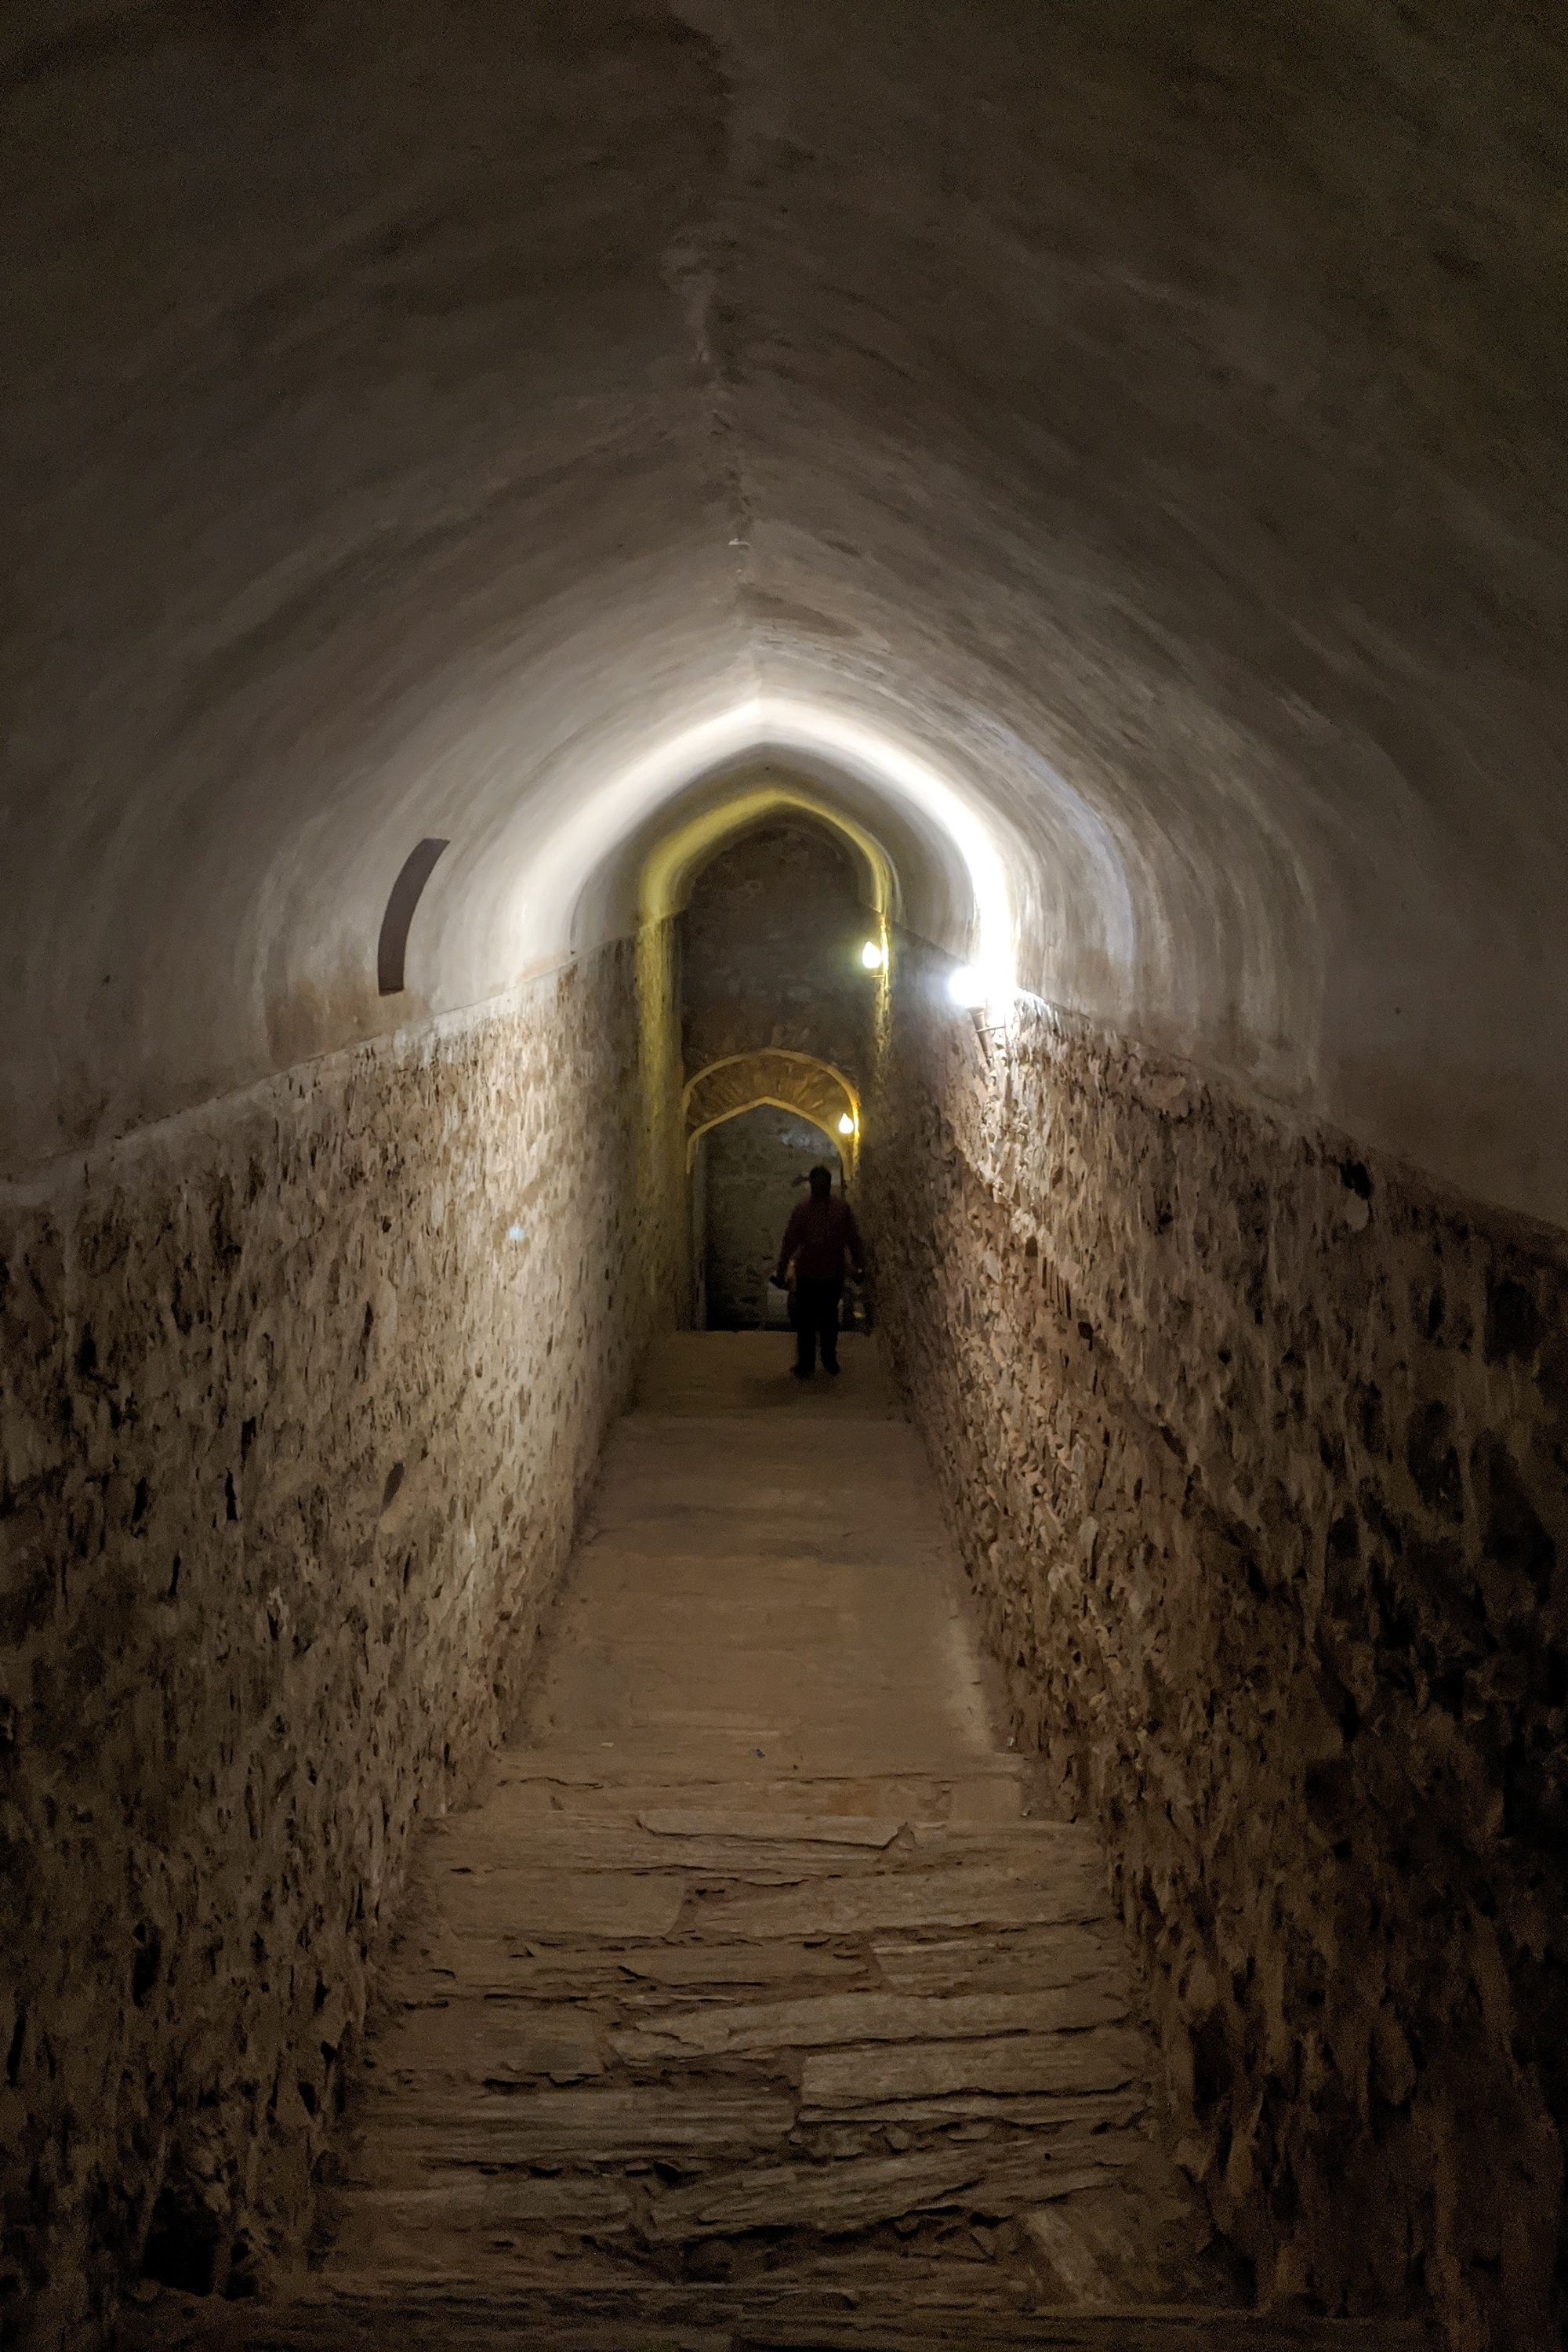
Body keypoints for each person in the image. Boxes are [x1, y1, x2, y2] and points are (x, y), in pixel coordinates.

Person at [773, 1165, 866, 1379]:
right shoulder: (840, 1209)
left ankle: (808, 1363)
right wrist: (859, 1265)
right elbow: (853, 1239)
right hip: (830, 1272)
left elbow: (789, 1243)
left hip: (812, 1272)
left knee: (808, 1320)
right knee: (828, 1317)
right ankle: (828, 1360)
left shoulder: (804, 1210)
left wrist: (781, 1270)